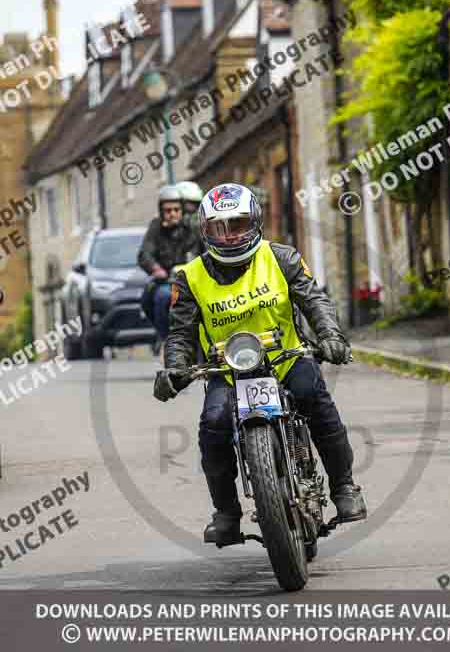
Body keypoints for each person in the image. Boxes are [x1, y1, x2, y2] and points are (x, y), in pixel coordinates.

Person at [153, 183, 367, 545]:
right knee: (214, 425)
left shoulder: (281, 257)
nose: (230, 236)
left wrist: (331, 336)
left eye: (237, 225)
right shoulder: (189, 277)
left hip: (285, 360)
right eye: (220, 228)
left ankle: (344, 487)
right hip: (226, 372)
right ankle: (226, 513)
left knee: (313, 398)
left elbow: (315, 299)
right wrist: (175, 368)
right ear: (205, 231)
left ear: (255, 222)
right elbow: (181, 334)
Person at [138, 185, 202, 341]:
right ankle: (167, 339)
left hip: (194, 280)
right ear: (161, 212)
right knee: (160, 297)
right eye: (167, 211)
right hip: (167, 281)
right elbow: (145, 254)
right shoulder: (156, 228)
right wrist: (156, 268)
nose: (172, 214)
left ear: (182, 210)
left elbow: (205, 250)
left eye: (176, 210)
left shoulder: (193, 228)